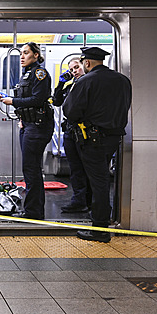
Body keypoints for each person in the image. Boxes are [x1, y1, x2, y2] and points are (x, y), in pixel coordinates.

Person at [63, 46, 131, 243]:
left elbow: (70, 111)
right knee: (101, 179)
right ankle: (101, 220)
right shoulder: (122, 80)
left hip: (93, 140)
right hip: (113, 138)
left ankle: (100, 228)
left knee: (98, 181)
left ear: (87, 62)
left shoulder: (86, 81)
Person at [0, 42, 53, 220]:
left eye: (26, 53)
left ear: (36, 55)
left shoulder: (40, 74)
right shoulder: (27, 75)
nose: (22, 56)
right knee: (29, 169)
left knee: (32, 170)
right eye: (21, 53)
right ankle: (32, 210)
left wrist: (12, 102)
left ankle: (34, 213)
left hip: (38, 127)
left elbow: (38, 99)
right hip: (29, 125)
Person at [53, 58, 92, 213]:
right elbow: (56, 101)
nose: (75, 71)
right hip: (70, 132)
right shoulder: (70, 87)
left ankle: (88, 201)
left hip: (83, 132)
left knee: (86, 168)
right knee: (75, 168)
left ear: (85, 66)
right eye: (71, 69)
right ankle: (79, 200)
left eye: (77, 67)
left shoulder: (89, 84)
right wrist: (61, 84)